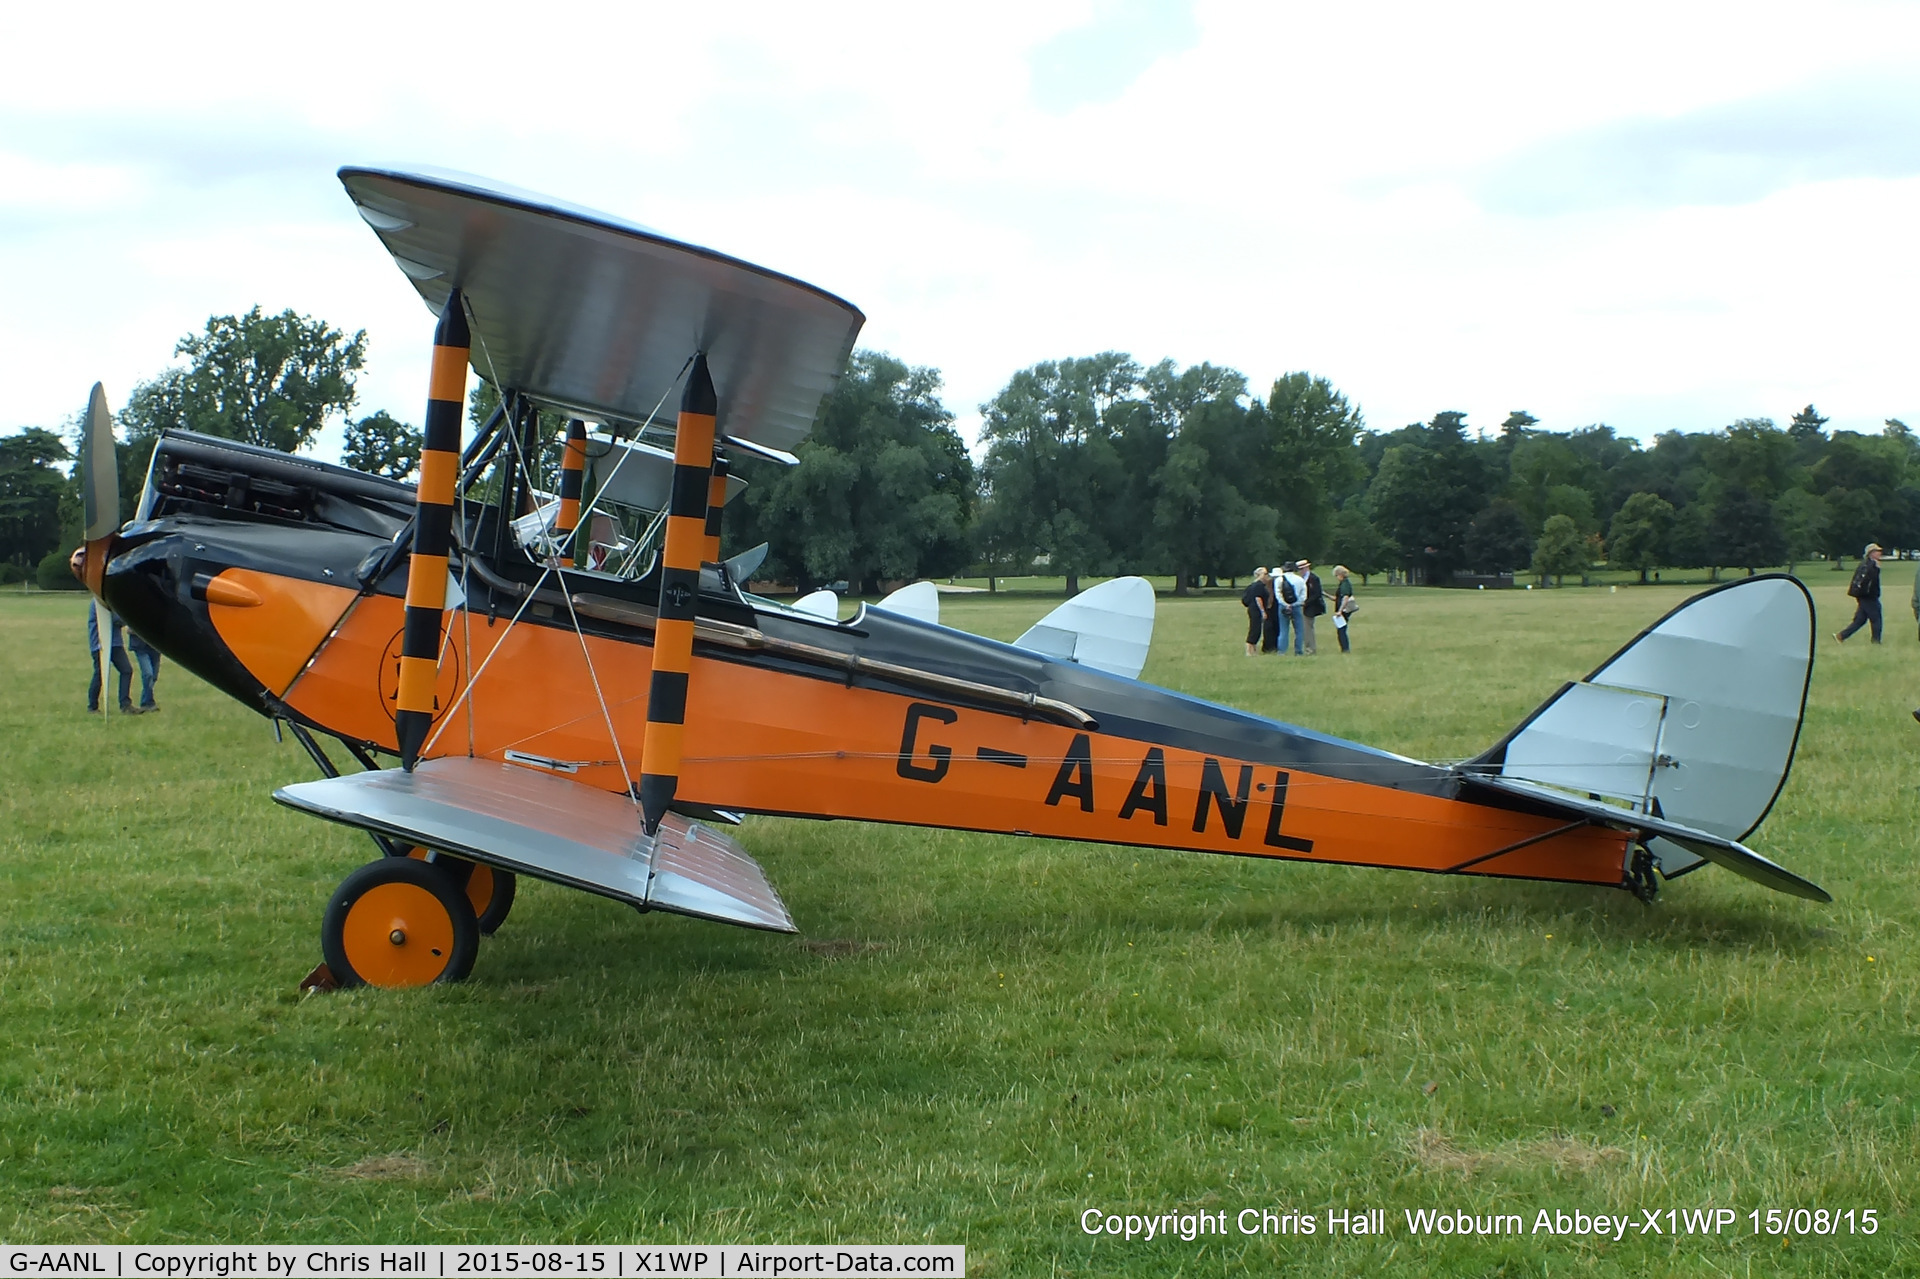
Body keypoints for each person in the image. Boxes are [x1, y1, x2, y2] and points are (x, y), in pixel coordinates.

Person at [87, 605, 134, 714]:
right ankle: (92, 706)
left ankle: (125, 704)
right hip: (100, 644)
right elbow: (115, 619)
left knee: (126, 670)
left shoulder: (111, 602)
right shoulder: (98, 603)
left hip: (115, 643)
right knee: (100, 674)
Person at [1836, 542, 1884, 644]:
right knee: (1876, 619)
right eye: (1877, 551)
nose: (1880, 553)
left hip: (1863, 597)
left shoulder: (1865, 564)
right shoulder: (1871, 565)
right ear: (1871, 553)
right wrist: (1876, 569)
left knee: (1860, 620)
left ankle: (1841, 636)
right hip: (1869, 597)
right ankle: (1876, 642)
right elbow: (1870, 582)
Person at [1277, 561, 1307, 655]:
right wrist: (1296, 603)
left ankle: (1282, 651)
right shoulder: (1300, 580)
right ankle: (1298, 651)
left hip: (1283, 606)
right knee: (1299, 630)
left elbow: (1278, 595)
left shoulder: (1279, 579)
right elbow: (1303, 595)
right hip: (1296, 606)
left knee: (1283, 630)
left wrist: (1286, 604)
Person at [128, 630, 161, 712]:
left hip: (155, 646)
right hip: (140, 646)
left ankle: (147, 701)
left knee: (154, 676)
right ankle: (147, 703)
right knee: (148, 674)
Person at [1241, 568, 1271, 656]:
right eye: (1265, 574)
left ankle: (1253, 650)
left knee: (1257, 630)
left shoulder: (1254, 585)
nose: (1266, 576)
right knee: (1255, 629)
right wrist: (1263, 611)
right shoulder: (1258, 586)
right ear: (1259, 575)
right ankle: (1249, 650)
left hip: (1253, 609)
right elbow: (1258, 599)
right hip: (1256, 610)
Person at [1298, 559, 1325, 655]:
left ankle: (1311, 649)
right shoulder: (1301, 579)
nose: (1300, 571)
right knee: (1304, 628)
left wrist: (1305, 602)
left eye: (1302, 569)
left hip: (1310, 607)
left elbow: (1317, 593)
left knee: (1308, 628)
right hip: (1303, 606)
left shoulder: (1313, 578)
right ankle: (1307, 647)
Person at [1331, 565, 1356, 653]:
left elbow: (1345, 597)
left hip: (1344, 610)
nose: (1337, 578)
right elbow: (1337, 598)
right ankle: (1344, 648)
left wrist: (1340, 611)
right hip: (1342, 609)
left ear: (1340, 574)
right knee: (1341, 630)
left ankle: (1345, 649)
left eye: (1337, 576)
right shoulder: (1343, 583)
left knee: (1341, 630)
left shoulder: (1345, 584)